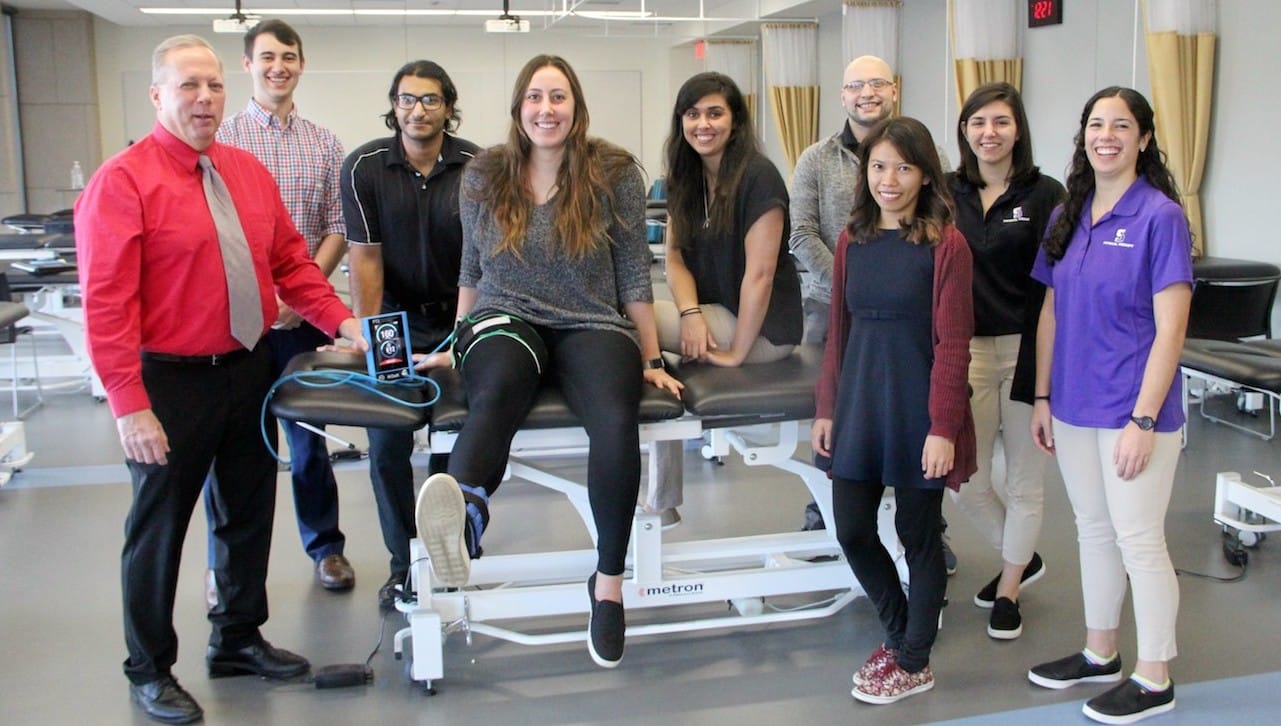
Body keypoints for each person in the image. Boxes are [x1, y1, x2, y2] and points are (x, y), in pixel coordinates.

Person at [74, 35, 366, 725]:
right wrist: (128, 405)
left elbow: (293, 265)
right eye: (187, 87)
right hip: (167, 382)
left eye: (212, 87)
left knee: (245, 513)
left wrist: (345, 325)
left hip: (247, 368)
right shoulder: (122, 181)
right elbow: (107, 305)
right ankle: (148, 668)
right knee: (159, 529)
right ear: (157, 95)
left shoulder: (245, 172)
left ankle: (236, 637)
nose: (203, 99)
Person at [414, 54, 682, 669]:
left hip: (590, 322)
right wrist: (456, 341)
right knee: (498, 386)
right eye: (535, 97)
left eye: (558, 97)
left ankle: (608, 585)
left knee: (615, 419)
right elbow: (472, 269)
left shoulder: (612, 171)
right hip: (507, 317)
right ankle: (467, 513)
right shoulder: (485, 173)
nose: (546, 109)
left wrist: (651, 356)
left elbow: (632, 276)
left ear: (576, 108)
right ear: (519, 108)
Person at [1027, 87, 1192, 725]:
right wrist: (1042, 396)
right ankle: (1101, 654)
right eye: (1096, 124)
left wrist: (1144, 420)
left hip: (1133, 410)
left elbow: (1170, 330)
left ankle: (1155, 677)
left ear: (1144, 139)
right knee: (1092, 532)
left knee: (1139, 540)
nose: (1107, 135)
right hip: (1071, 404)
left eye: (1121, 125)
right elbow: (1050, 312)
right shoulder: (1071, 211)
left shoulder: (1160, 217)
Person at [811, 116, 975, 705]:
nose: (889, 178)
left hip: (918, 407)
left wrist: (943, 427)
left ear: (926, 175)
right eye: (879, 166)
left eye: (904, 167)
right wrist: (827, 408)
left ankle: (913, 660)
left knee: (918, 535)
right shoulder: (854, 239)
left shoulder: (946, 245)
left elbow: (954, 345)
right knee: (851, 528)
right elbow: (839, 331)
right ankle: (902, 631)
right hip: (859, 402)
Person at [207, 18, 353, 595]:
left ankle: (326, 549)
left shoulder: (326, 144)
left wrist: (302, 295)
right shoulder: (221, 141)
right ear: (247, 65)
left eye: (288, 56)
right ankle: (228, 569)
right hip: (237, 320)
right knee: (235, 448)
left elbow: (338, 226)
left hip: (301, 318)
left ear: (301, 64)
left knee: (307, 438)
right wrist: (262, 297)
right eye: (267, 57)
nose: (279, 67)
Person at [789, 55, 955, 551]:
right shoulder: (815, 159)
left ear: (894, 90)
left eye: (877, 83)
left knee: (915, 419)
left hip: (909, 313)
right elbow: (801, 233)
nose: (867, 92)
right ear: (842, 97)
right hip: (831, 305)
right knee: (838, 415)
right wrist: (849, 284)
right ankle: (831, 503)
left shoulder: (930, 154)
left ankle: (926, 523)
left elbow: (942, 229)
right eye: (855, 85)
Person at [341, 60, 479, 610]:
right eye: (406, 100)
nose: (416, 110)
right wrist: (371, 338)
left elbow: (484, 257)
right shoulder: (364, 168)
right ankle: (404, 564)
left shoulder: (480, 167)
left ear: (447, 105)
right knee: (386, 446)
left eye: (428, 100)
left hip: (458, 317)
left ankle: (451, 549)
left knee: (452, 438)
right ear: (393, 105)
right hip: (393, 318)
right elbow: (365, 261)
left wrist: (465, 333)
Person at [647, 71, 803, 525]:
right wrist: (690, 314)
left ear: (735, 120)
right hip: (715, 316)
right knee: (656, 360)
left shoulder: (759, 177)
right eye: (692, 114)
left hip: (763, 330)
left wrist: (736, 353)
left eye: (715, 113)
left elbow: (760, 274)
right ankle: (662, 498)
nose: (703, 124)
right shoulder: (686, 176)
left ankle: (660, 499)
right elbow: (673, 257)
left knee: (631, 321)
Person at [946, 83, 1065, 639]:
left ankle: (1010, 587)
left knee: (1024, 481)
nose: (988, 133)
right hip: (962, 350)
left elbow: (1059, 286)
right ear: (964, 130)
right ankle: (1022, 554)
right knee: (963, 476)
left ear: (1018, 128)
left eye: (1000, 122)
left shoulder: (1046, 195)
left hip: (1026, 349)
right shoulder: (945, 194)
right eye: (977, 123)